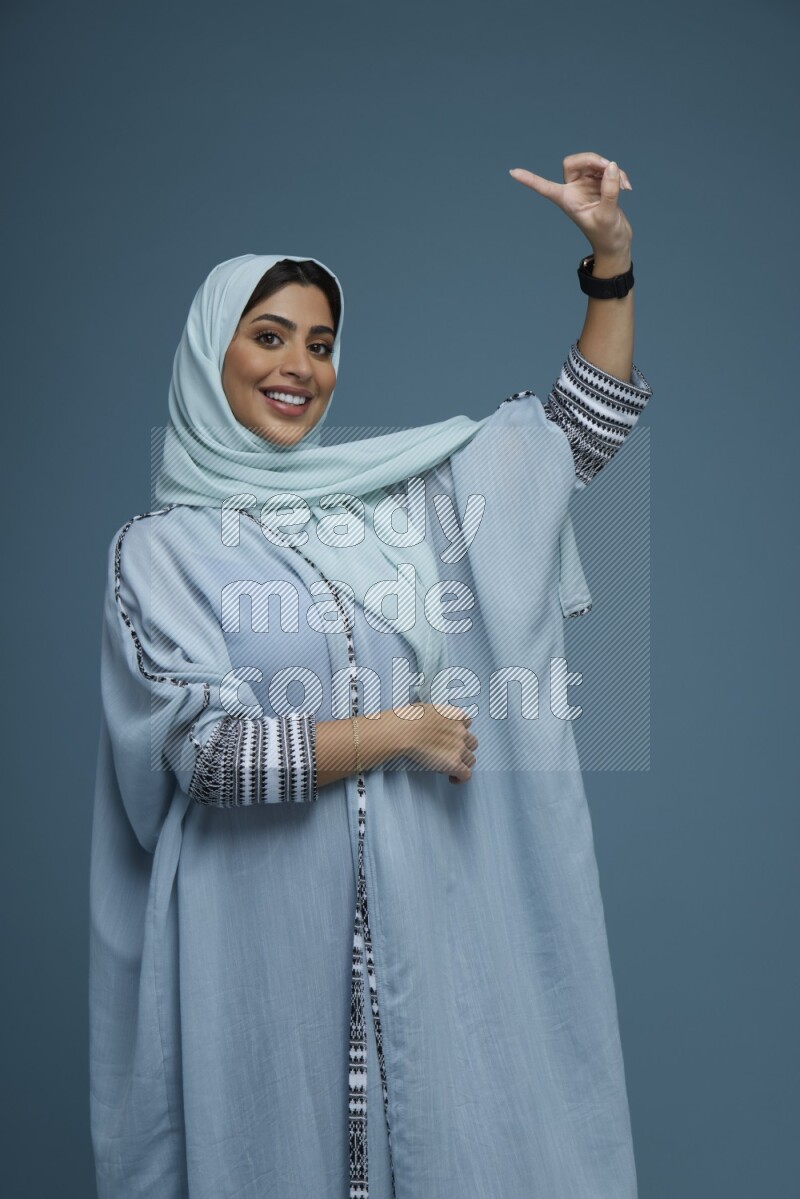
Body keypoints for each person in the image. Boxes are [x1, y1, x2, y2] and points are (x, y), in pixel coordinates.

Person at [89, 151, 653, 1199]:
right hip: (256, 948)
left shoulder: (389, 507)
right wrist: (399, 732)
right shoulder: (159, 551)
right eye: (267, 336)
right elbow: (208, 759)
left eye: (320, 341)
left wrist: (609, 263)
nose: (299, 363)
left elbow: (571, 437)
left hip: (424, 939)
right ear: (210, 354)